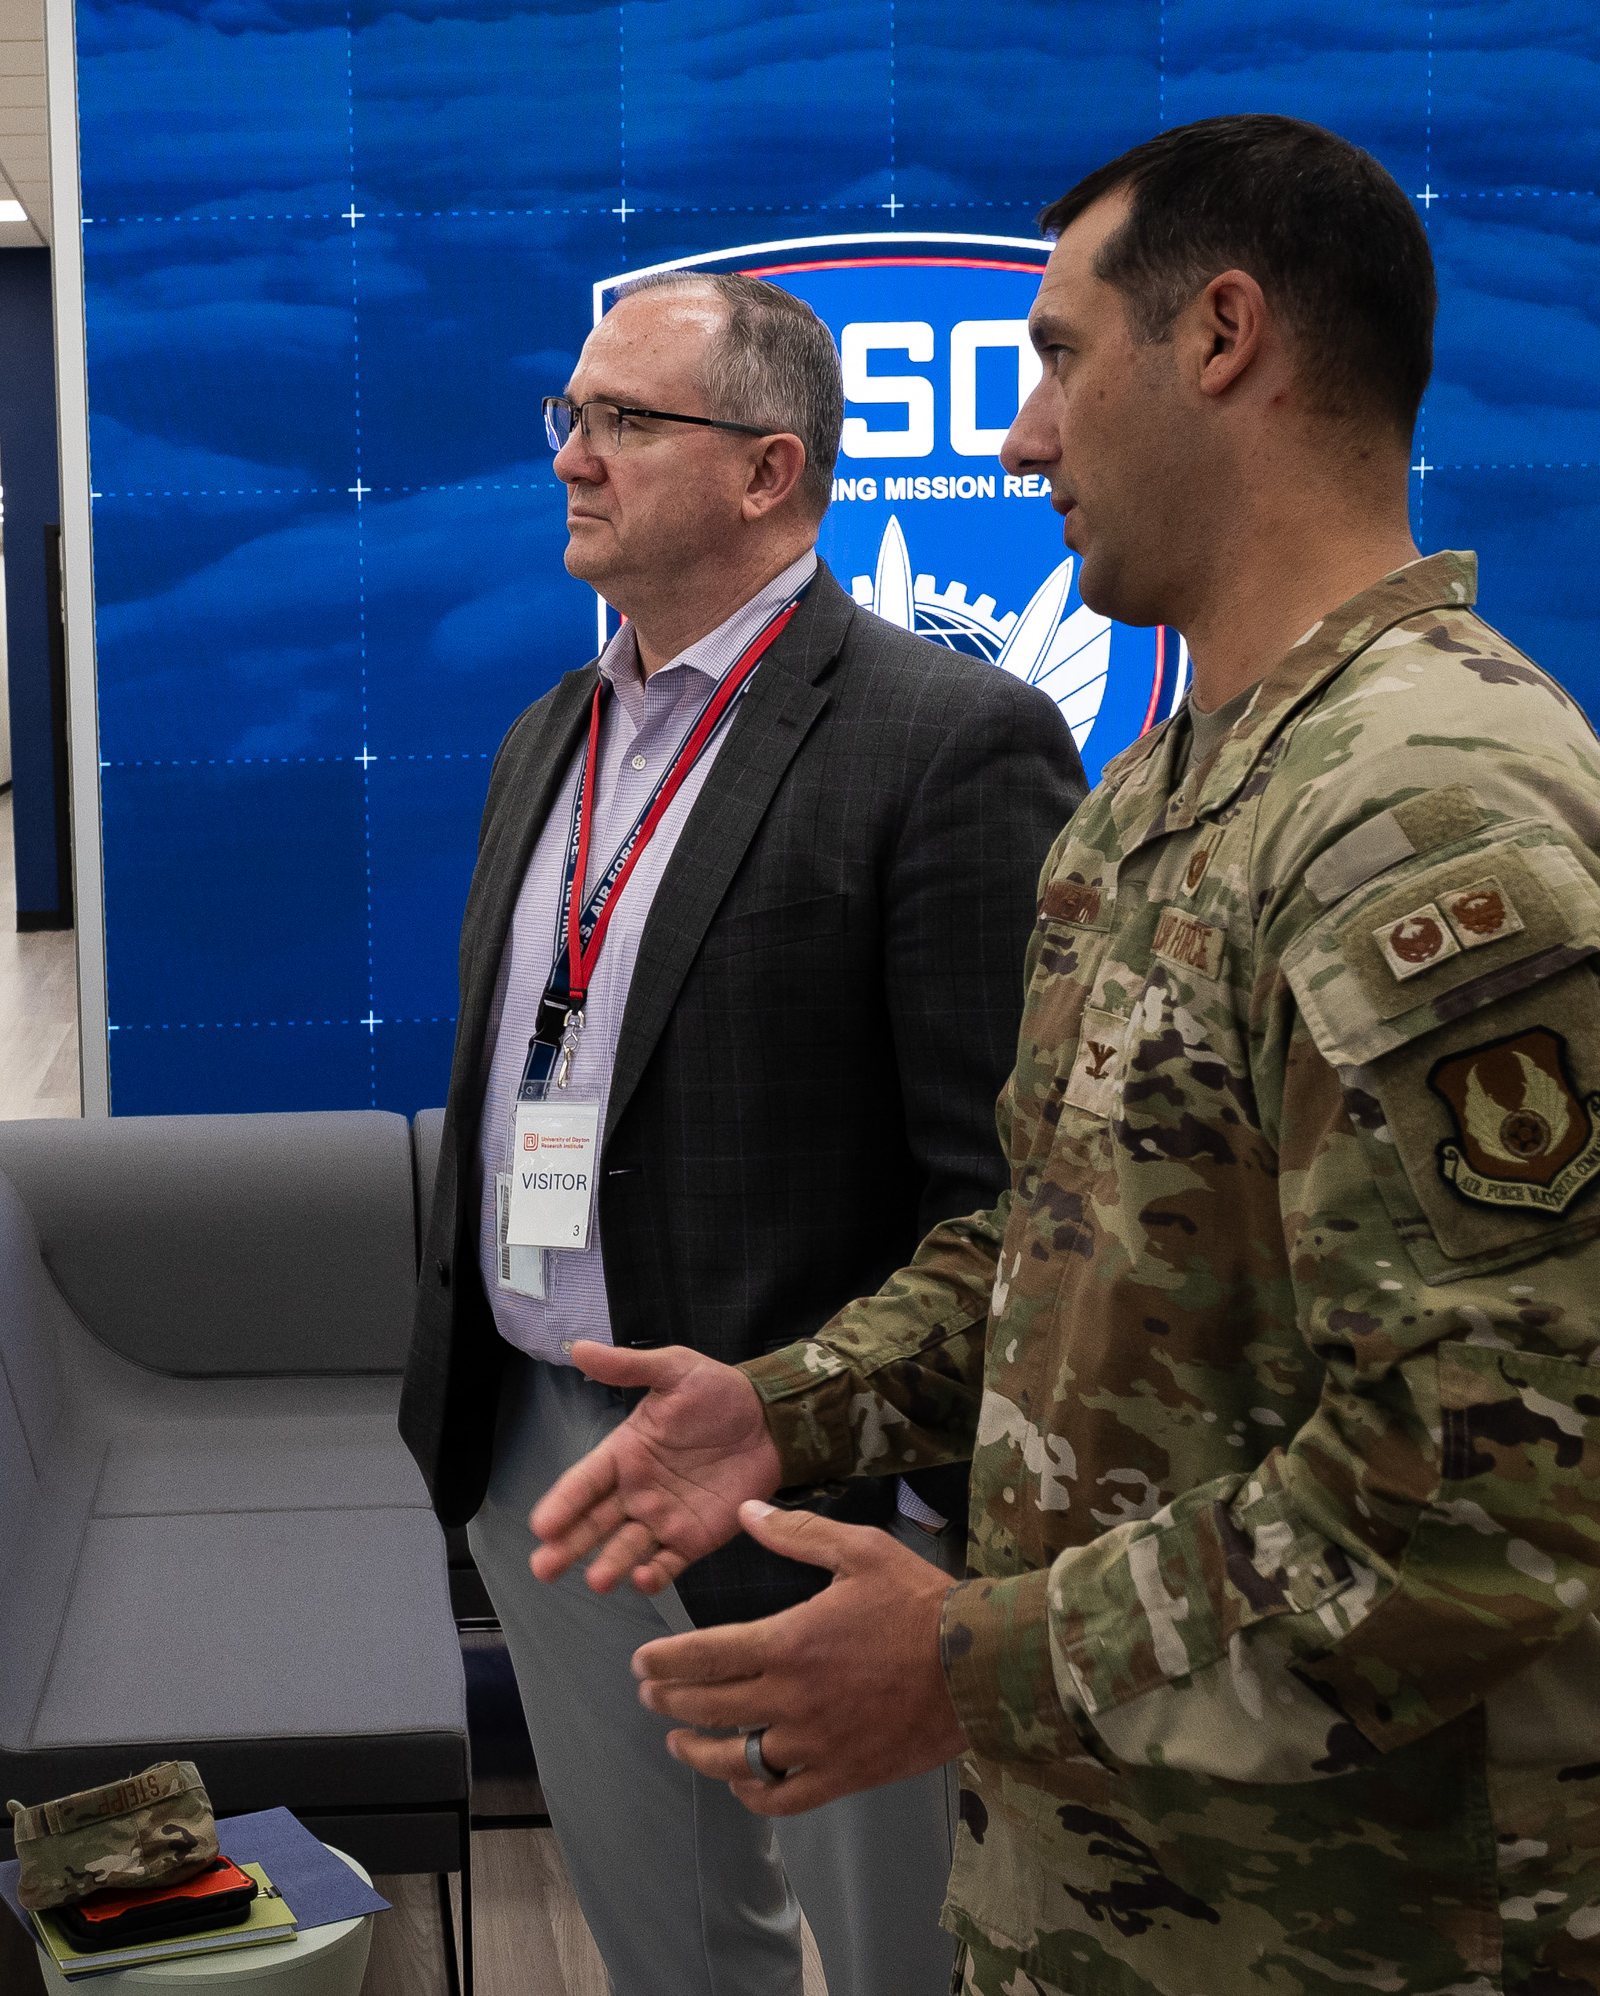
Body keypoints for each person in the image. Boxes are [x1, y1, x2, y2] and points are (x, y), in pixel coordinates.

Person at [530, 114, 1600, 1996]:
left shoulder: (1429, 818)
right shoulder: (1165, 797)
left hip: (1382, 1923)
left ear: (1224, 337)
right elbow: (1064, 1254)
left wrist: (966, 1664)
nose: (1021, 438)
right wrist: (792, 1405)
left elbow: (1486, 1498)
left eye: (1061, 359)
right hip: (1142, 1892)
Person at [398, 271, 1085, 1994]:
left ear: (772, 470)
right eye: (570, 415)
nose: (573, 455)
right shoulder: (546, 737)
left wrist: (920, 1506)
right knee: (672, 1946)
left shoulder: (949, 741)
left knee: (905, 1955)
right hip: (540, 1456)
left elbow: (1004, 1191)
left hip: (807, 1490)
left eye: (625, 421)